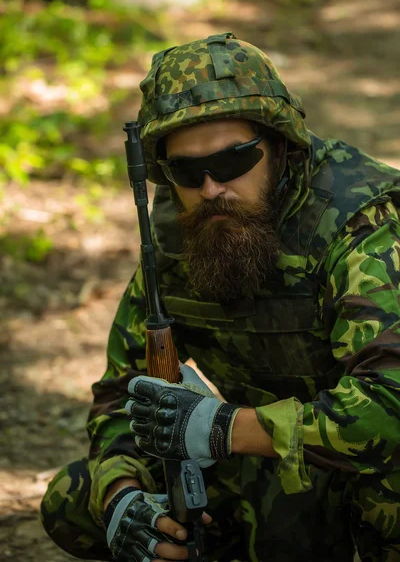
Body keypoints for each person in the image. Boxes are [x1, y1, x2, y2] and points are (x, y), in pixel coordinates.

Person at [41, 32, 400, 562]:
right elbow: (123, 395)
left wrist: (224, 428)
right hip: (256, 461)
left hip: (350, 470)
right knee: (74, 498)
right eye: (186, 171)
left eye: (232, 162)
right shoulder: (174, 237)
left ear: (280, 145)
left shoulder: (362, 222)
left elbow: (388, 408)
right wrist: (124, 498)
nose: (211, 189)